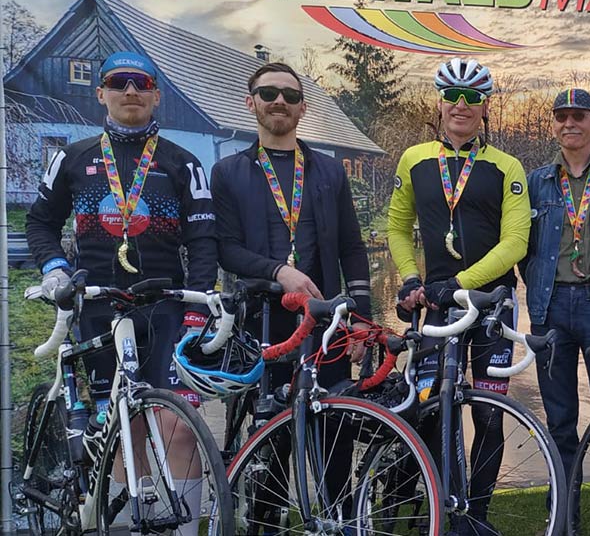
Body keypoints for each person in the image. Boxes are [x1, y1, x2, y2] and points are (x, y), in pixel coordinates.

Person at [26, 50, 217, 534]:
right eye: (118, 82)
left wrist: (197, 310)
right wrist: (55, 267)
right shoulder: (73, 157)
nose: (130, 91)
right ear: (101, 93)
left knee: (179, 429)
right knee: (122, 432)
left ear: (156, 95)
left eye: (141, 83)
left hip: (166, 309)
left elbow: (203, 241)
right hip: (97, 308)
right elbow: (40, 222)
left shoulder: (182, 162)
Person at [209, 61, 373, 531]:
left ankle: (340, 523)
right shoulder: (228, 172)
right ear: (251, 103)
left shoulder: (329, 171)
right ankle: (266, 523)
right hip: (264, 325)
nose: (279, 101)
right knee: (269, 444)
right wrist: (280, 272)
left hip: (325, 325)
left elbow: (351, 247)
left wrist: (360, 318)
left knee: (335, 437)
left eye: (290, 94)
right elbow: (227, 249)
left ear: (302, 108)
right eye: (268, 93)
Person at [388, 57, 531, 536]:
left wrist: (461, 283)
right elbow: (397, 227)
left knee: (488, 415)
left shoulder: (507, 166)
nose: (461, 105)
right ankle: (441, 506)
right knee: (433, 409)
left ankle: (476, 519)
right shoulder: (414, 159)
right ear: (440, 102)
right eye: (453, 96)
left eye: (472, 97)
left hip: (492, 305)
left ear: (485, 106)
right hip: (436, 304)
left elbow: (516, 242)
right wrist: (411, 277)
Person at [519, 88, 590, 535]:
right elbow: (522, 246)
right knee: (560, 419)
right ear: (553, 124)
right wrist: (537, 285)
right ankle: (563, 515)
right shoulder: (535, 183)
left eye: (579, 116)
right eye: (562, 116)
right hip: (550, 308)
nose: (570, 123)